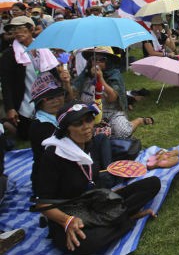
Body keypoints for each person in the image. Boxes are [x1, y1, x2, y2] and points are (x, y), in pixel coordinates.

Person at [32, 101, 160, 254]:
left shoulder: (89, 143)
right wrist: (67, 221)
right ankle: (125, 219)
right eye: (78, 123)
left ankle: (118, 219)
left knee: (153, 183)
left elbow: (92, 181)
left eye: (89, 120)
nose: (86, 126)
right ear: (66, 130)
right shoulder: (53, 156)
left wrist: (112, 191)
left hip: (94, 202)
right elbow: (42, 204)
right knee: (90, 244)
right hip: (68, 214)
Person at [0, 16, 61, 141]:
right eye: (14, 30)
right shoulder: (9, 55)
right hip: (24, 100)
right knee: (27, 135)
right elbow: (6, 84)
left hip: (46, 98)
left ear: (31, 29)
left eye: (21, 28)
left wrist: (62, 78)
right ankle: (9, 126)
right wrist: (10, 108)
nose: (17, 32)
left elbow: (53, 72)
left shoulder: (43, 50)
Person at [72, 47, 153, 139]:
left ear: (108, 62)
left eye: (102, 59)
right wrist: (66, 82)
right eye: (94, 59)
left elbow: (112, 98)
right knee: (84, 134)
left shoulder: (114, 75)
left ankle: (139, 120)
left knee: (122, 132)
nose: (97, 62)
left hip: (111, 113)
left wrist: (100, 79)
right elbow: (72, 95)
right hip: (89, 114)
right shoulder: (84, 76)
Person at [28, 71, 71, 187]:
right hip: (49, 179)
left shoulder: (58, 116)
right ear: (40, 102)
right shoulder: (41, 126)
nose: (56, 100)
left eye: (59, 95)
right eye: (49, 98)